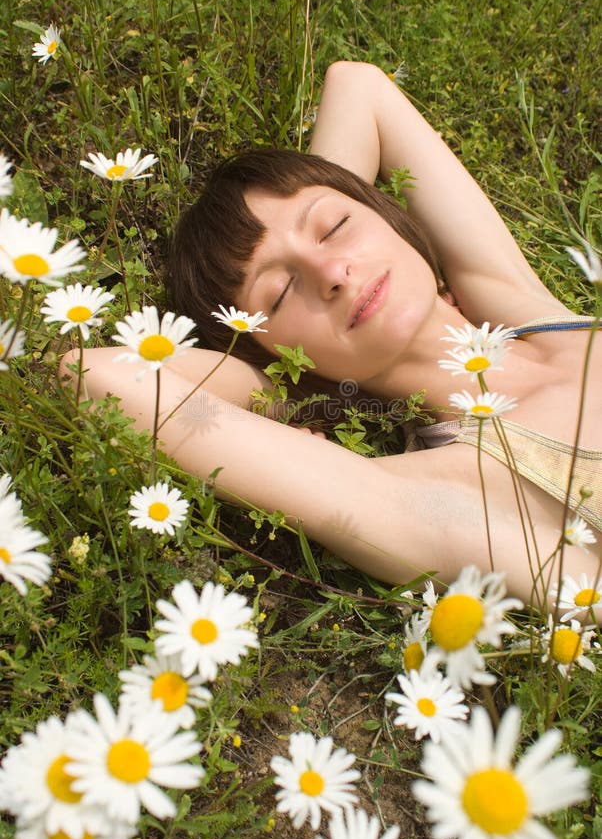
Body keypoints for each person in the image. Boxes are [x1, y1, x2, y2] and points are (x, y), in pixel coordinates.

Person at [61, 61, 602, 609]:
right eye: (279, 292)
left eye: (335, 226)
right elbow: (98, 377)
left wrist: (317, 194)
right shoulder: (435, 498)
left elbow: (358, 87)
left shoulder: (531, 311)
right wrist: (296, 390)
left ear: (385, 214)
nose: (333, 273)